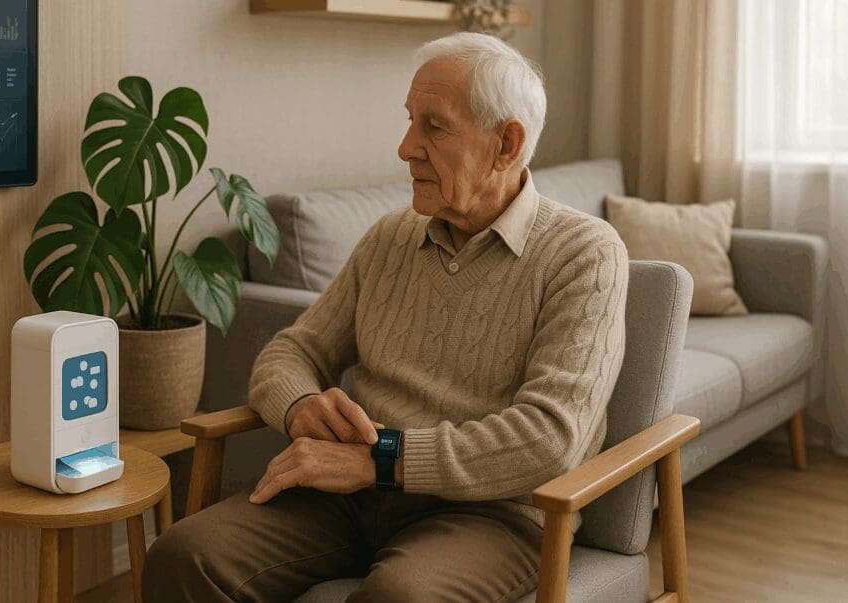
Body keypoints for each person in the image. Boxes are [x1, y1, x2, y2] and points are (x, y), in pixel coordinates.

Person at [143, 32, 630, 602]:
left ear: (507, 144)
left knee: (400, 598)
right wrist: (301, 406)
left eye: (434, 126)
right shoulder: (392, 237)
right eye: (409, 121)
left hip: (493, 513)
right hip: (352, 495)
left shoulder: (585, 254)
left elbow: (552, 439)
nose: (405, 147)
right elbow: (291, 351)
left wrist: (382, 459)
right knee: (183, 555)